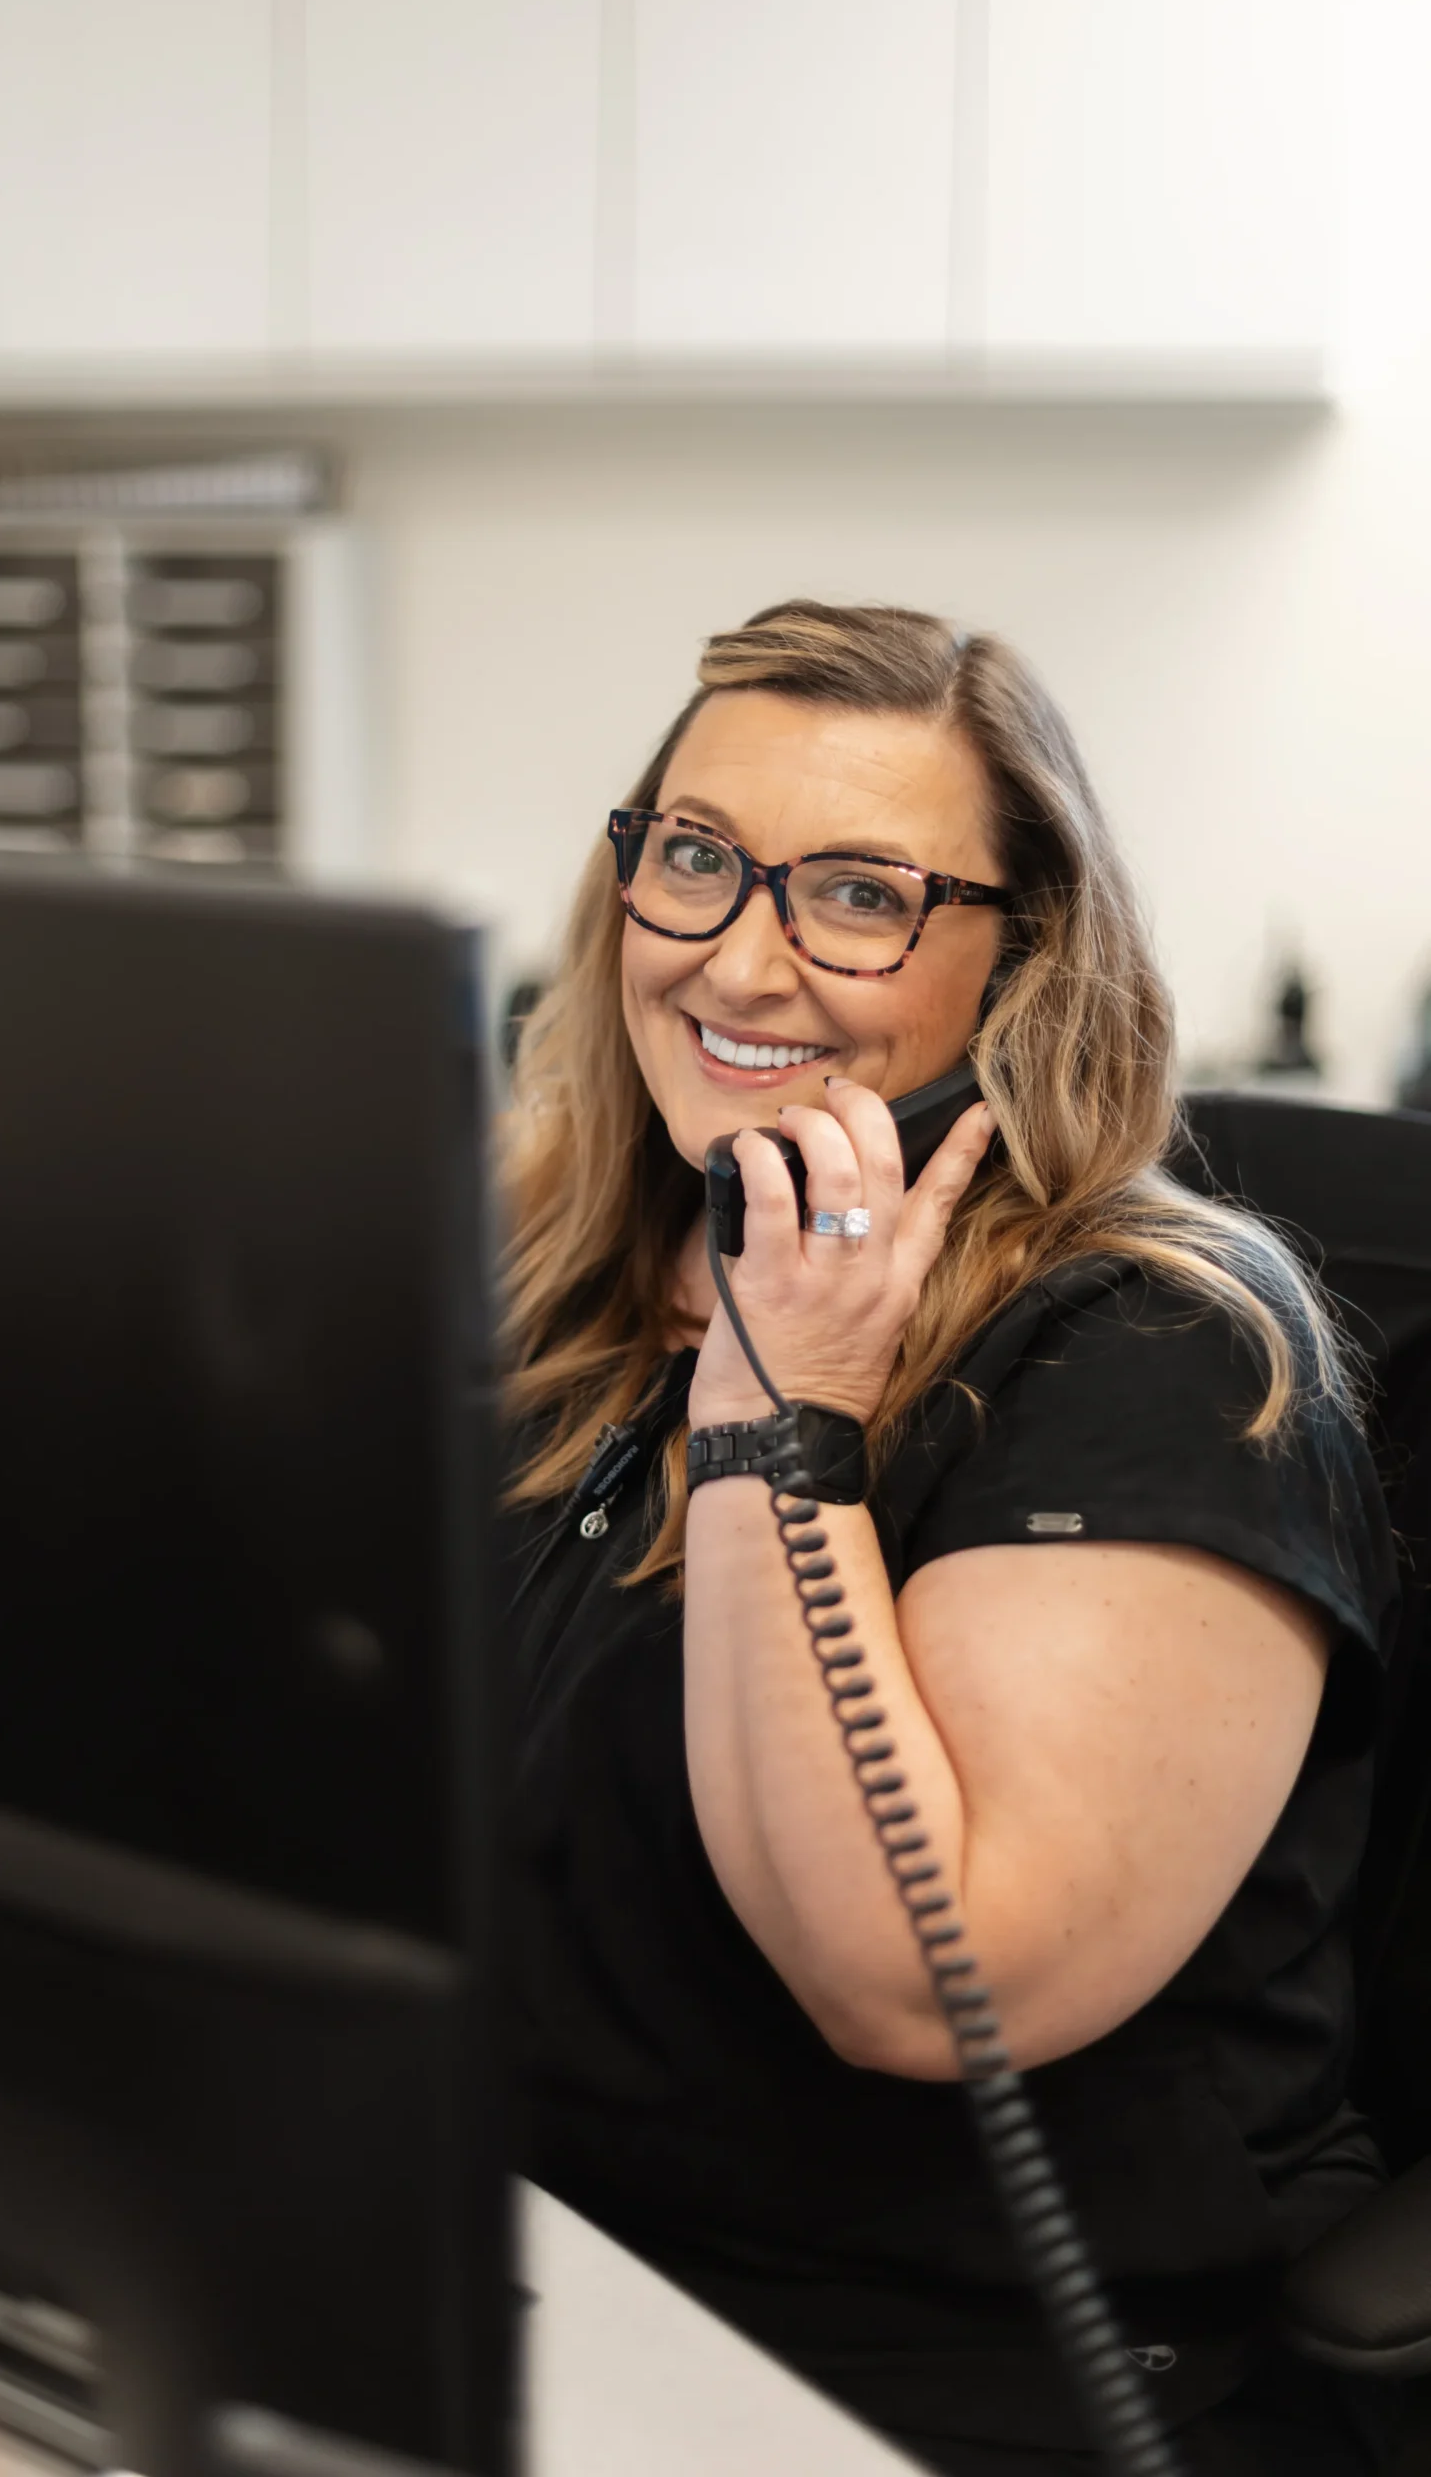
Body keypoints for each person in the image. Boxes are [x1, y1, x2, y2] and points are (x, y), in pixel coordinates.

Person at [501, 602, 1401, 2475]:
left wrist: (783, 1424)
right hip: (536, 2284)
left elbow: (920, 1984)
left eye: (853, 895)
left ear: (1020, 961)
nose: (740, 964)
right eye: (694, 861)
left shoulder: (1157, 1351)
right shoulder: (572, 1278)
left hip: (937, 2383)